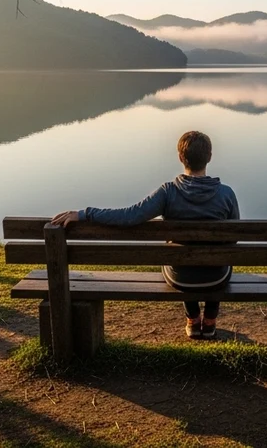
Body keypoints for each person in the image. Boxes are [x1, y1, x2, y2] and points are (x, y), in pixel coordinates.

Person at [50, 130, 239, 340]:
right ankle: (210, 320)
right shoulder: (226, 194)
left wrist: (85, 214)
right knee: (220, 256)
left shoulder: (168, 192)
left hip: (180, 279)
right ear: (210, 157)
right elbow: (233, 239)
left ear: (180, 157)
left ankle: (193, 319)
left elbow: (129, 216)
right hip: (216, 278)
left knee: (177, 254)